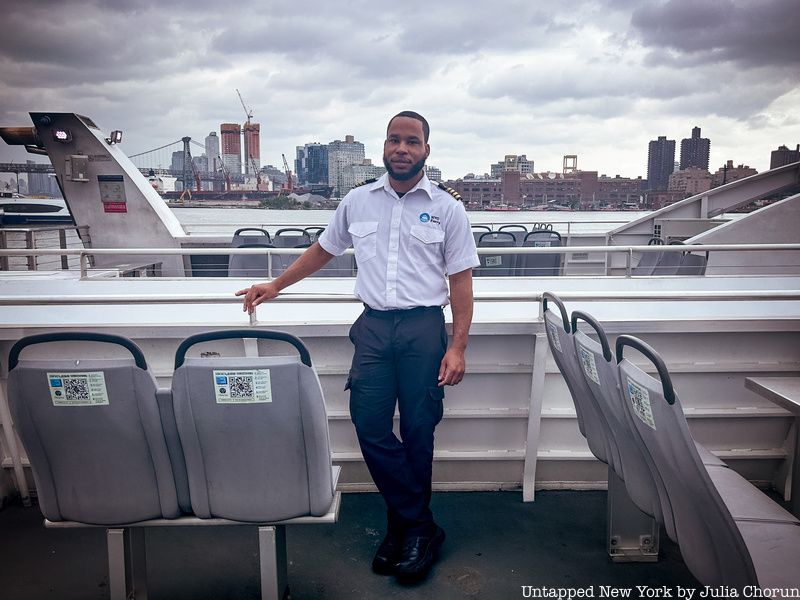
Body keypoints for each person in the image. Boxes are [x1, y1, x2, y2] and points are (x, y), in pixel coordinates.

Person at [236, 111, 479, 583]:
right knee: (368, 424)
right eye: (394, 140)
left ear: (426, 150)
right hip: (372, 329)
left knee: (418, 429)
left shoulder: (448, 209)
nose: (402, 148)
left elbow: (461, 282)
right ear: (383, 147)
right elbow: (323, 250)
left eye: (412, 141)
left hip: (424, 329)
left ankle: (403, 531)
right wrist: (276, 285)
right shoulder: (357, 201)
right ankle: (419, 526)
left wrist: (458, 347)